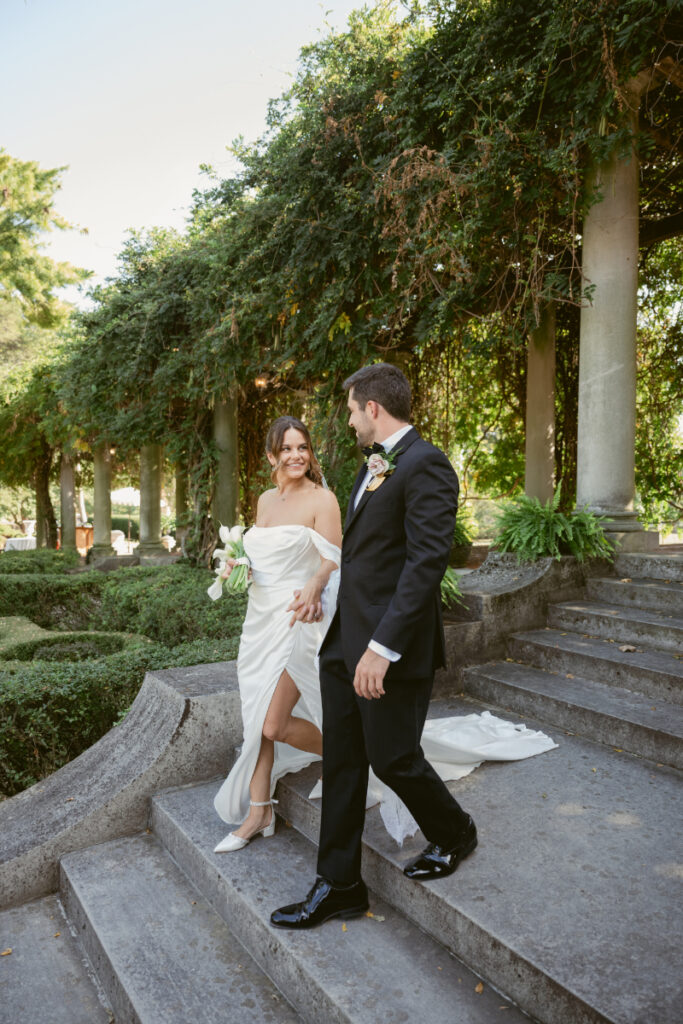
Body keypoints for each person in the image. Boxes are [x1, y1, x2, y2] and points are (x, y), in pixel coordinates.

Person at [270, 363, 477, 929]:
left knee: (394, 758)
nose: (350, 419)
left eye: (353, 410)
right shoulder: (372, 468)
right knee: (341, 761)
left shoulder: (427, 464)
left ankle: (456, 832)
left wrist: (382, 647)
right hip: (343, 641)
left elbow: (425, 562)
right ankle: (339, 885)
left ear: (374, 409)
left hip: (389, 648)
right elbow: (363, 557)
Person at [213, 415, 342, 853]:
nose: (295, 456)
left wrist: (315, 583)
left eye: (302, 447)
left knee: (274, 722)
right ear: (271, 455)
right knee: (257, 723)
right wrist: (238, 567)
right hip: (258, 623)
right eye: (286, 449)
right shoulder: (265, 500)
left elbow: (333, 558)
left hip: (297, 621)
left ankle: (348, 754)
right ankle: (259, 810)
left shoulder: (322, 499)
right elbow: (261, 556)